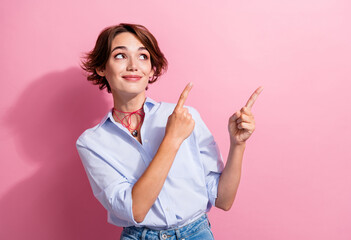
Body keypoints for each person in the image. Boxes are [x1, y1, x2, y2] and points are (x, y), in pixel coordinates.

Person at [76, 23, 263, 240]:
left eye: (143, 56)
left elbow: (223, 200)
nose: (134, 65)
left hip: (197, 234)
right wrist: (172, 139)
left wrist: (237, 144)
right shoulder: (92, 143)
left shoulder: (185, 117)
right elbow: (135, 210)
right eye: (120, 56)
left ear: (152, 69)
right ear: (101, 68)